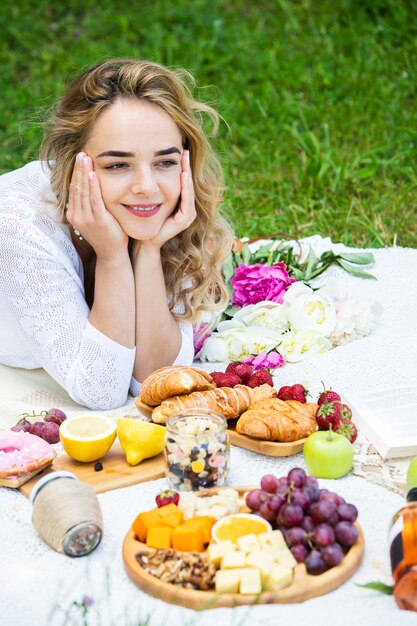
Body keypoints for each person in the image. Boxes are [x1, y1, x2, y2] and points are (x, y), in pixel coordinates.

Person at [0, 58, 233, 410]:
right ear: (73, 163)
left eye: (165, 162)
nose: (147, 187)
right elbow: (102, 391)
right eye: (117, 165)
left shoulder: (168, 217)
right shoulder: (19, 224)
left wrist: (150, 249)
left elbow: (157, 380)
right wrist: (111, 256)